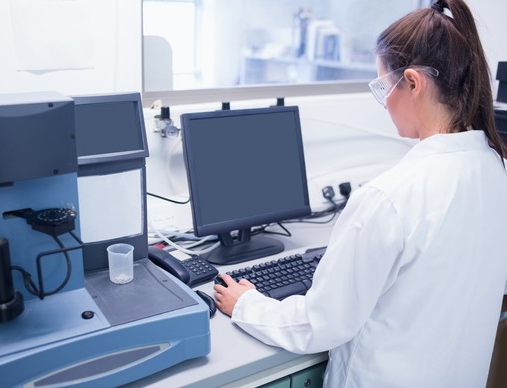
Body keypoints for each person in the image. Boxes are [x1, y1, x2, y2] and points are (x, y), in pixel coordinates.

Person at [214, 1, 507, 386]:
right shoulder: (492, 168)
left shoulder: (390, 198)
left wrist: (247, 305)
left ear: (414, 83)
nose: (384, 100)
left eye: (383, 85)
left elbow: (322, 324)